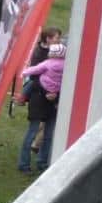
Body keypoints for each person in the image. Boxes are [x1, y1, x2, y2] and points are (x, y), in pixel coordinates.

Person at [17, 36, 65, 175]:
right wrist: (55, 94)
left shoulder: (46, 63)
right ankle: (42, 162)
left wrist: (23, 72)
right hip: (52, 100)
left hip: (39, 99)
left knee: (32, 133)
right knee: (48, 134)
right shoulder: (66, 66)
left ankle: (24, 164)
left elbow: (32, 73)